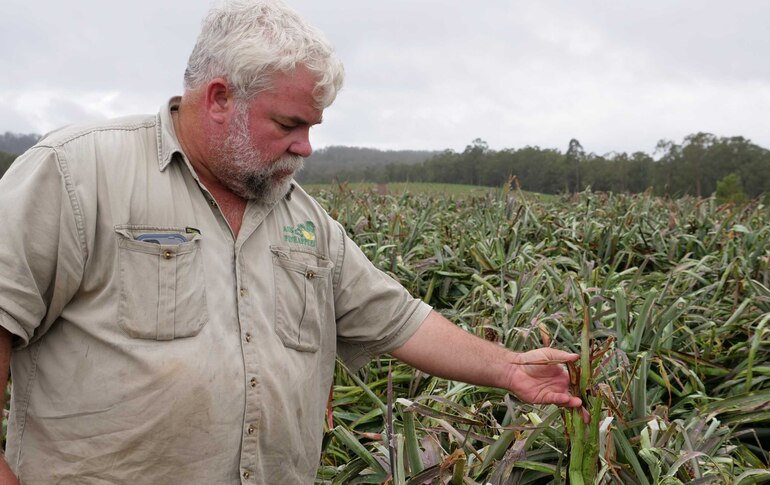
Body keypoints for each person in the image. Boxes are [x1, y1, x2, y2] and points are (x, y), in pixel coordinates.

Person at [0, 1, 584, 482]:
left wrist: (509, 368)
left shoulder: (302, 217)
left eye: (312, 128)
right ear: (220, 98)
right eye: (288, 125)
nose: (305, 147)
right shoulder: (77, 173)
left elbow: (396, 318)